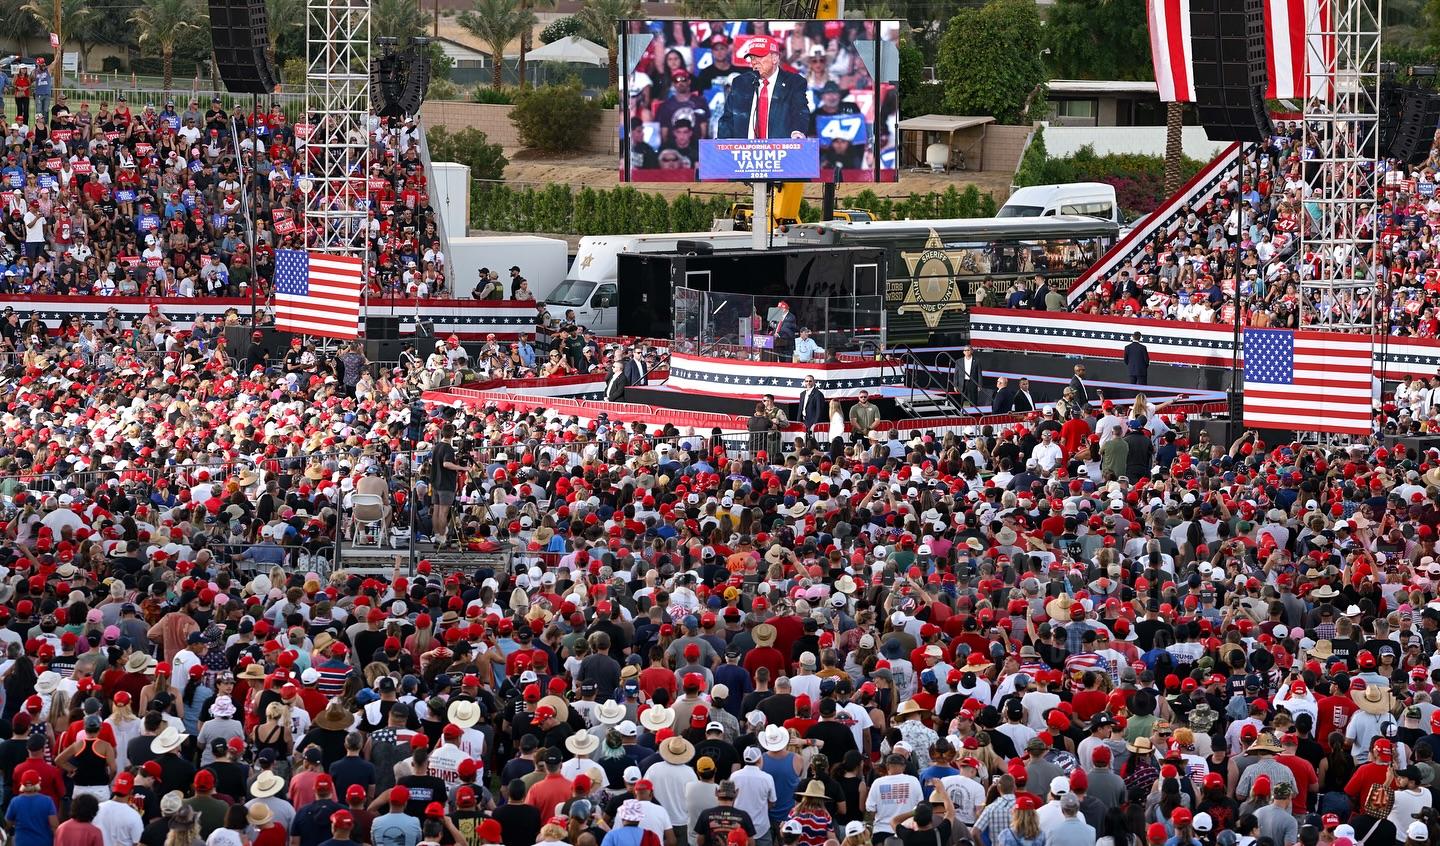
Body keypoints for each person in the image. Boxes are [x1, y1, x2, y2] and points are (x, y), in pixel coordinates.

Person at [716, 37, 810, 140]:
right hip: (744, 152)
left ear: (774, 58)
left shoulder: (794, 83)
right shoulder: (740, 83)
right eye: (752, 58)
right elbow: (728, 119)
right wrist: (723, 143)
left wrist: (797, 132)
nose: (754, 62)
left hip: (780, 152)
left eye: (759, 57)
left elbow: (800, 112)